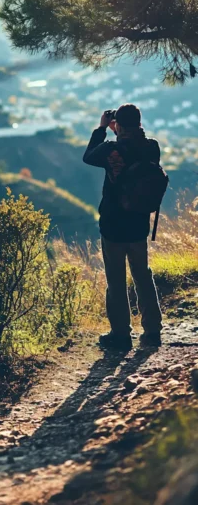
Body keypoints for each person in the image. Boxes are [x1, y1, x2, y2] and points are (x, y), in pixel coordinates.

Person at [83, 103, 163, 350]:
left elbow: (88, 156)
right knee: (143, 276)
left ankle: (120, 335)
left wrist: (103, 128)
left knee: (116, 280)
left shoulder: (111, 149)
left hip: (113, 224)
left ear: (118, 124)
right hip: (139, 224)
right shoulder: (152, 147)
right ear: (139, 123)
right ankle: (152, 331)